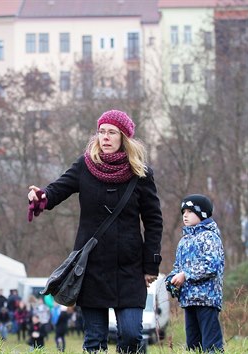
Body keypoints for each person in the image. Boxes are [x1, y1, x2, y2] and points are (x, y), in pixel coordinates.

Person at [27, 109, 163, 353]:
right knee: (94, 341)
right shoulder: (84, 166)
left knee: (132, 335)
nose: (105, 137)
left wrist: (151, 265)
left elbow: (153, 221)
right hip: (91, 267)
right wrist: (41, 196)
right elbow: (58, 189)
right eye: (101, 132)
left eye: (112, 132)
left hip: (130, 268)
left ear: (124, 138)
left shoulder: (141, 174)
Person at [166, 194, 224, 353]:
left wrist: (186, 275)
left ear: (202, 213)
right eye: (183, 211)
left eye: (190, 211)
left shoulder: (210, 237)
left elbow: (212, 265)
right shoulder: (184, 241)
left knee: (211, 345)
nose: (185, 215)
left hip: (207, 299)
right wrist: (172, 279)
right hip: (189, 299)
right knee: (193, 345)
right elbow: (178, 266)